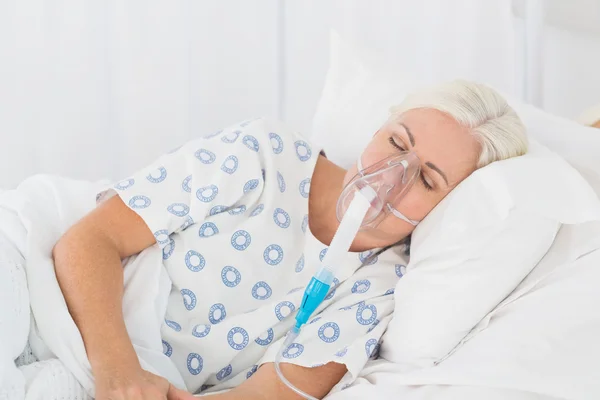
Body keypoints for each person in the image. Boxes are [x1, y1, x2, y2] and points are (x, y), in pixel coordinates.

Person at [52, 80, 528, 400]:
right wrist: (118, 370)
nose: (389, 180)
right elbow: (91, 239)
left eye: (427, 180)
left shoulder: (384, 288)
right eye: (397, 144)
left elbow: (267, 396)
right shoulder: (264, 156)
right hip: (61, 306)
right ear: (378, 128)